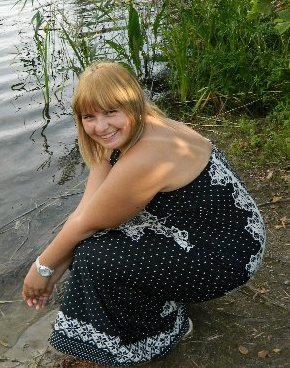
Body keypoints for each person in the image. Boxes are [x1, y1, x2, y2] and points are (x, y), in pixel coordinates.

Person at [22, 61, 266, 366]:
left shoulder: (147, 153)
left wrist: (42, 268)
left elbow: (85, 225)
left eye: (111, 112)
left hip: (228, 255)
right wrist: (56, 265)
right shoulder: (135, 127)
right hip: (222, 230)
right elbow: (88, 208)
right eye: (89, 116)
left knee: (93, 258)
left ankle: (163, 330)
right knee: (88, 240)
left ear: (133, 104)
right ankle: (157, 302)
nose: (100, 126)